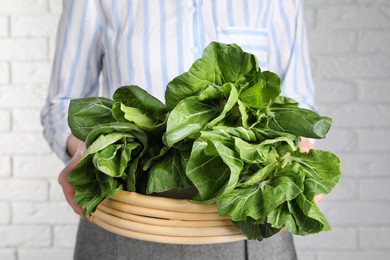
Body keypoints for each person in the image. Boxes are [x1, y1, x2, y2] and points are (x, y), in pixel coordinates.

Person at [41, 0, 318, 259]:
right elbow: (62, 104)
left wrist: (301, 157)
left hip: (248, 221)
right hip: (124, 219)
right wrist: (85, 151)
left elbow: (297, 105)